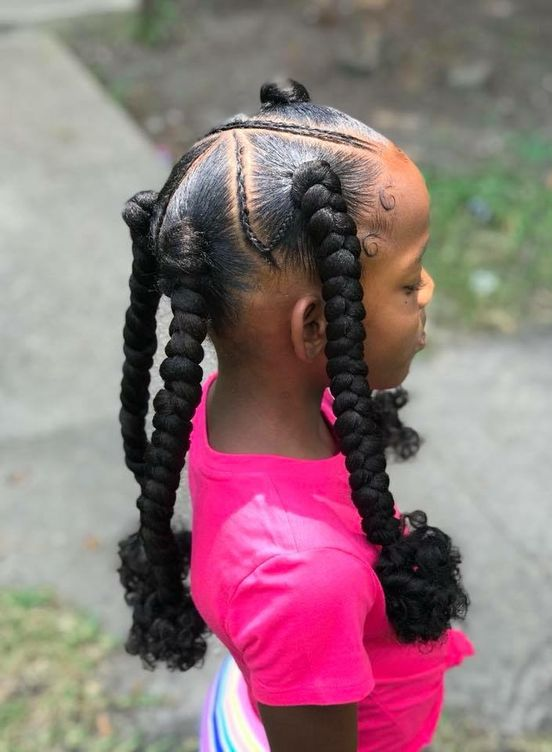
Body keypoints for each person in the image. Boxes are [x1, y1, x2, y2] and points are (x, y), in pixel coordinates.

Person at [117, 79, 475, 752]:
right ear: (316, 327)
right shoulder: (300, 581)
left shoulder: (235, 401)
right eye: (408, 279)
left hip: (278, 685)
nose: (428, 289)